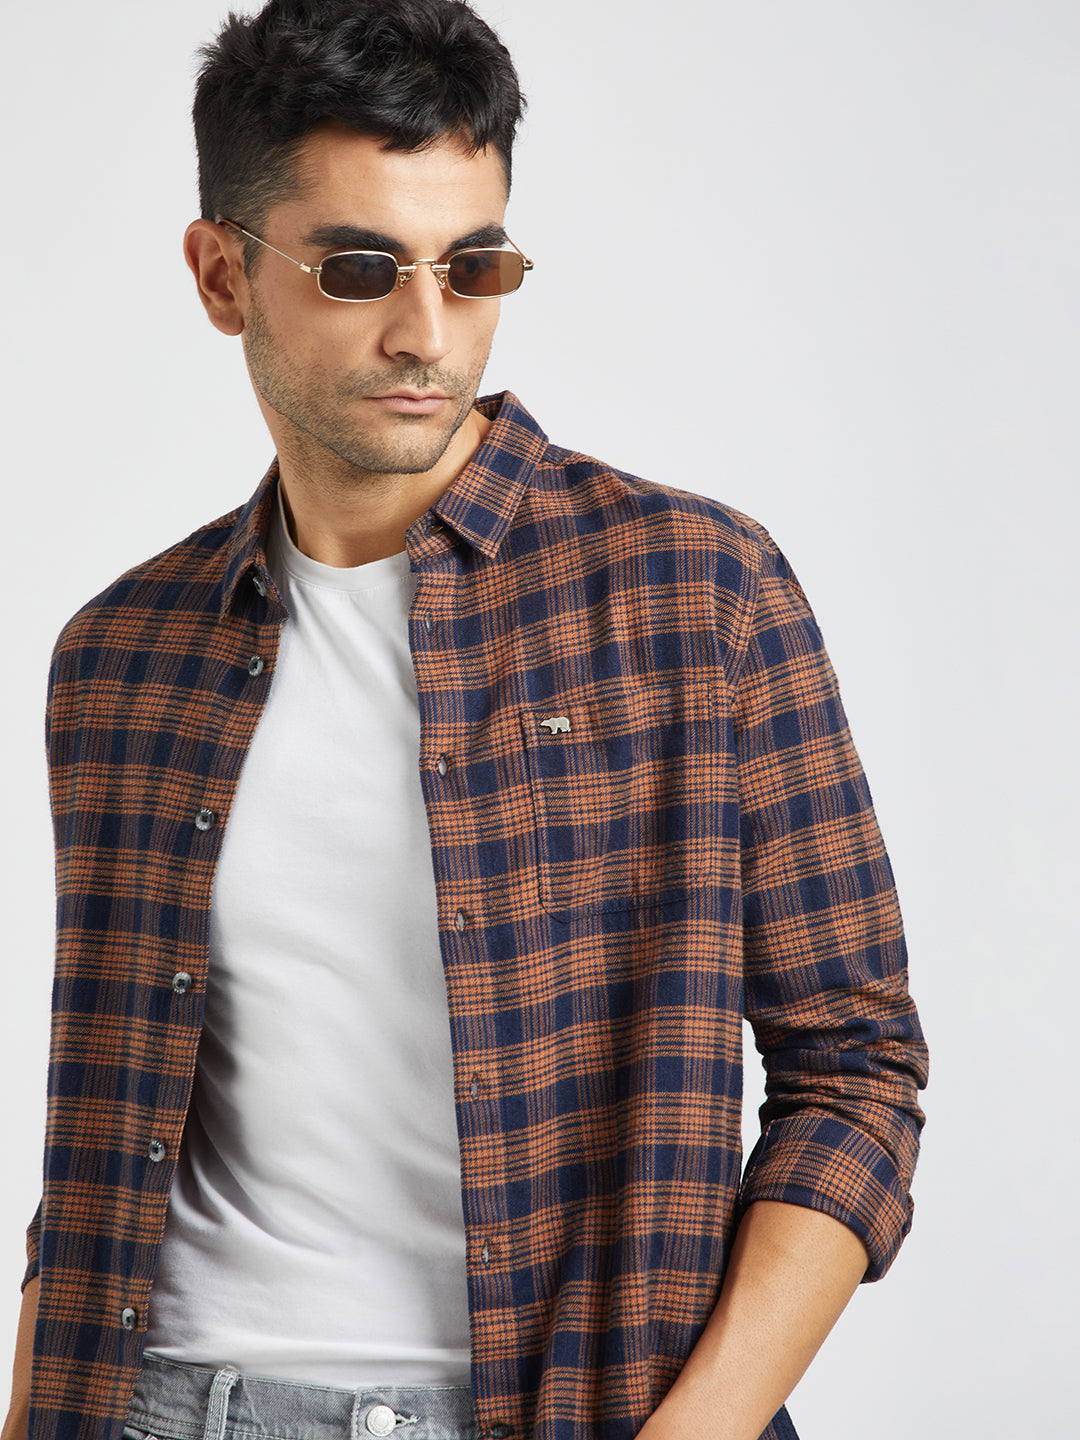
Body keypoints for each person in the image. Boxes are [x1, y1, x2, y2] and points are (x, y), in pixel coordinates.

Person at [2, 3, 928, 1439]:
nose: (426, 332)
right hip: (168, 1404)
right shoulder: (122, 660)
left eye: (473, 265)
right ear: (222, 274)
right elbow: (104, 1146)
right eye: (359, 268)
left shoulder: (697, 595)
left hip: (584, 1407)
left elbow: (855, 1076)